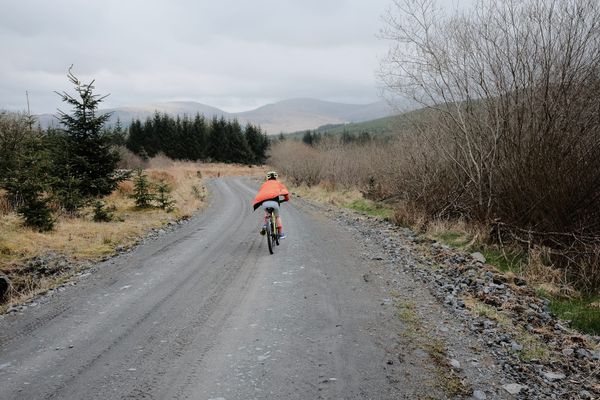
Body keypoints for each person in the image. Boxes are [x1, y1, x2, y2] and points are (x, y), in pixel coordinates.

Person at [253, 171, 290, 239]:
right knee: (277, 217)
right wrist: (286, 199)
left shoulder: (264, 185)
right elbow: (286, 193)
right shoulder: (278, 184)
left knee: (267, 213)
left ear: (267, 178)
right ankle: (280, 233)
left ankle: (265, 225)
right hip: (275, 203)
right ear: (276, 177)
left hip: (265, 203)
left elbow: (261, 193)